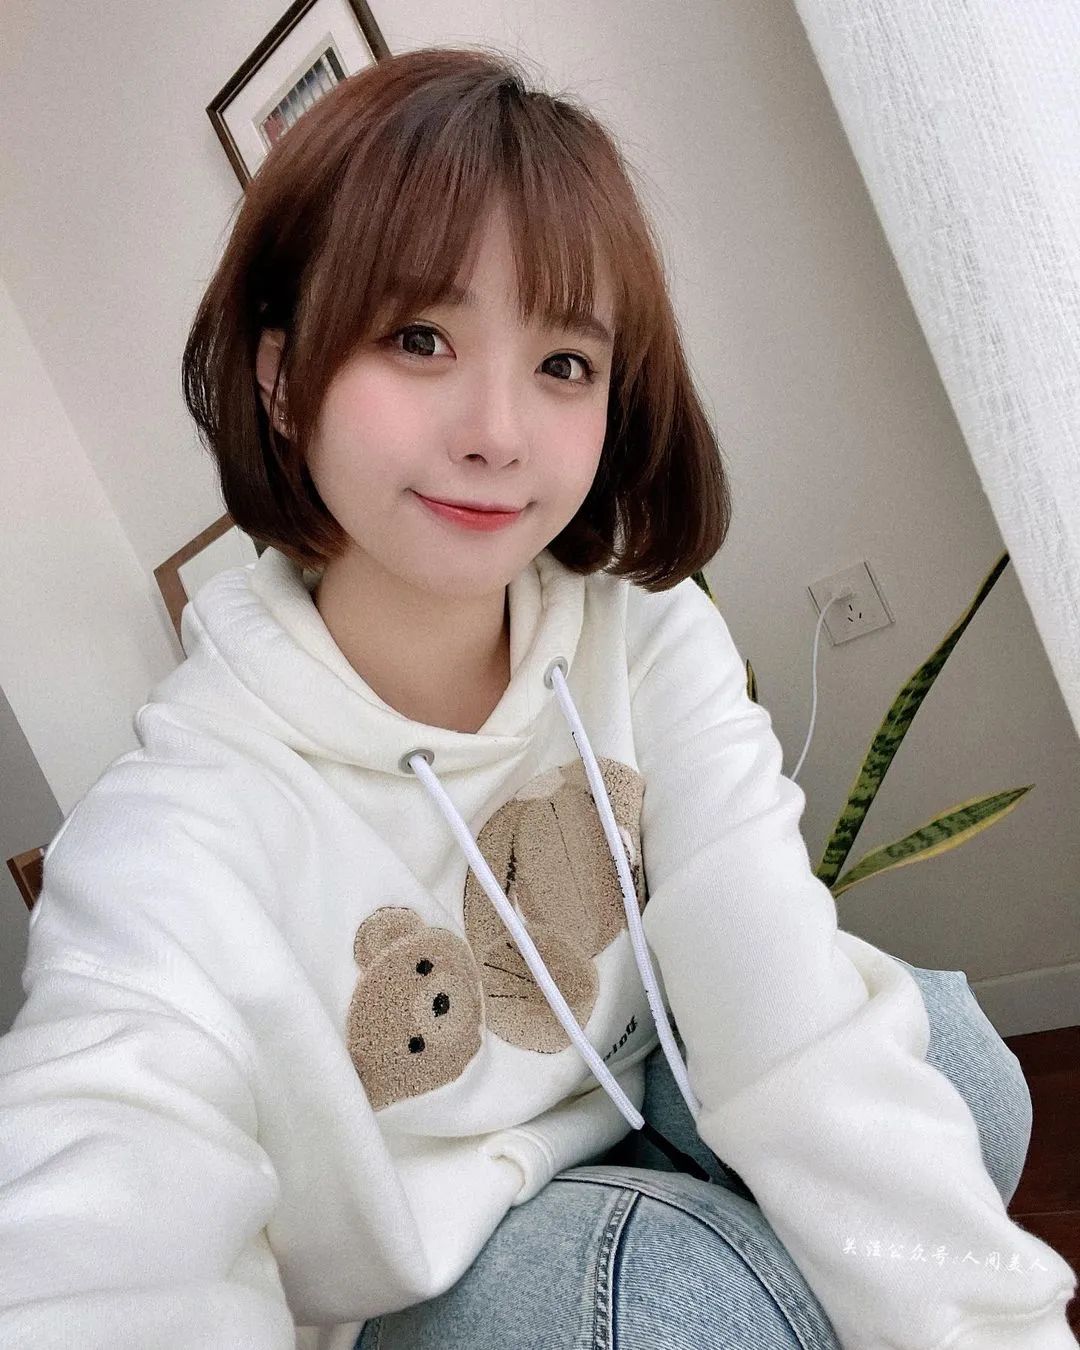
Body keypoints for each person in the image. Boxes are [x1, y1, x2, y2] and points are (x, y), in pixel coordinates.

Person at [0, 43, 1075, 1350]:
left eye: (564, 362)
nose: (497, 432)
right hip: (425, 1277)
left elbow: (783, 1006)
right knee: (675, 1304)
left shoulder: (644, 637)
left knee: (954, 1066)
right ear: (280, 379)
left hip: (638, 1094)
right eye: (420, 338)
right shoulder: (182, 824)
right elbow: (99, 1219)